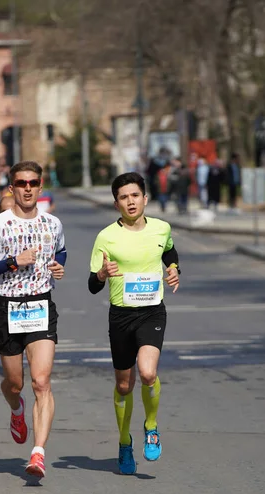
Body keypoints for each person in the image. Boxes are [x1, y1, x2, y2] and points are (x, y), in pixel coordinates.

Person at [0, 161, 67, 479]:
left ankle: (38, 453)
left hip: (41, 306)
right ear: (12, 188)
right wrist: (13, 262)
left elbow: (61, 251)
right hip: (7, 309)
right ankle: (17, 410)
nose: (27, 187)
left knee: (42, 382)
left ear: (40, 187)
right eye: (21, 183)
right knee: (16, 383)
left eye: (33, 182)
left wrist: (57, 265)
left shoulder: (53, 224)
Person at [88, 171, 180, 475]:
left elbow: (169, 251)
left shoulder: (161, 228)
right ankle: (124, 441)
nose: (130, 202)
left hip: (152, 311)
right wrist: (102, 274)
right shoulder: (106, 237)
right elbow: (92, 284)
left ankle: (151, 426)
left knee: (148, 373)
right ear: (116, 204)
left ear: (145, 198)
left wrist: (174, 269)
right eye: (124, 197)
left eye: (135, 195)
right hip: (121, 315)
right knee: (124, 385)